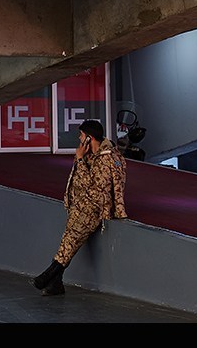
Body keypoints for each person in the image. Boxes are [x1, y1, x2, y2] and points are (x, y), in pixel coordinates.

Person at [30, 119, 127, 296]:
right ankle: (55, 283)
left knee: (71, 239)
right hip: (80, 206)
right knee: (69, 240)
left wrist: (81, 160)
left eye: (82, 135)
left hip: (92, 208)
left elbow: (95, 188)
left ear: (89, 138)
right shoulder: (91, 153)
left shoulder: (107, 159)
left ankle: (48, 275)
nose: (79, 138)